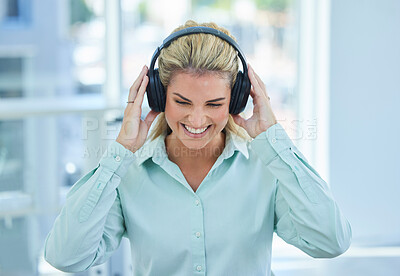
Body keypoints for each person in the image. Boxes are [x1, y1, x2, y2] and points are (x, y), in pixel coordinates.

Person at [44, 20, 352, 276]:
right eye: (182, 102)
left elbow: (330, 241)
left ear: (237, 99)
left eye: (214, 104)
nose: (197, 119)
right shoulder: (129, 173)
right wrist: (120, 152)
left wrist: (273, 139)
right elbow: (65, 257)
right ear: (158, 96)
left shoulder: (266, 167)